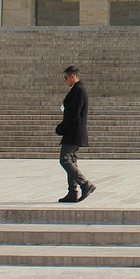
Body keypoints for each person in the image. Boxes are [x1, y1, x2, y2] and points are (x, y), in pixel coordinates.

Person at [55, 65, 95, 203]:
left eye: (66, 78)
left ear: (73, 76)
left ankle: (85, 184)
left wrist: (61, 128)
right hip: (73, 131)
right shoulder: (77, 89)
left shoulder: (78, 90)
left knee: (65, 160)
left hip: (73, 131)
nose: (64, 80)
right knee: (71, 161)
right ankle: (72, 192)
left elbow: (73, 114)